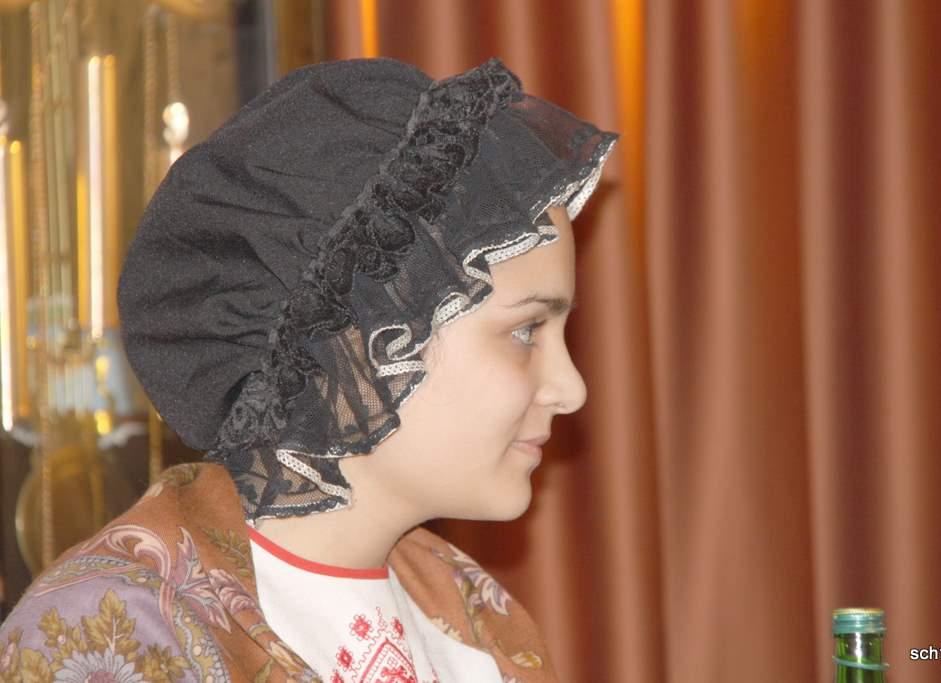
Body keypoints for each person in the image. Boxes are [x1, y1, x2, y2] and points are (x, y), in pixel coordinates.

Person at [0, 57, 616, 682]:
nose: (570, 389)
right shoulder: (114, 637)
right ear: (363, 337)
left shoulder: (472, 615)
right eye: (525, 330)